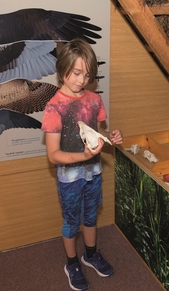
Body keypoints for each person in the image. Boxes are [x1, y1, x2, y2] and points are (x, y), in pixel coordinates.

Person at [41, 38, 123, 291]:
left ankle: (90, 254)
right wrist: (84, 157)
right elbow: (53, 155)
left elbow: (95, 135)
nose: (81, 80)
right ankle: (72, 262)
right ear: (63, 68)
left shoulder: (94, 100)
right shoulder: (53, 107)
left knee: (90, 215)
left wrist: (111, 138)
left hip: (94, 172)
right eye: (76, 72)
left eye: (87, 75)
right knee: (71, 220)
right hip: (69, 177)